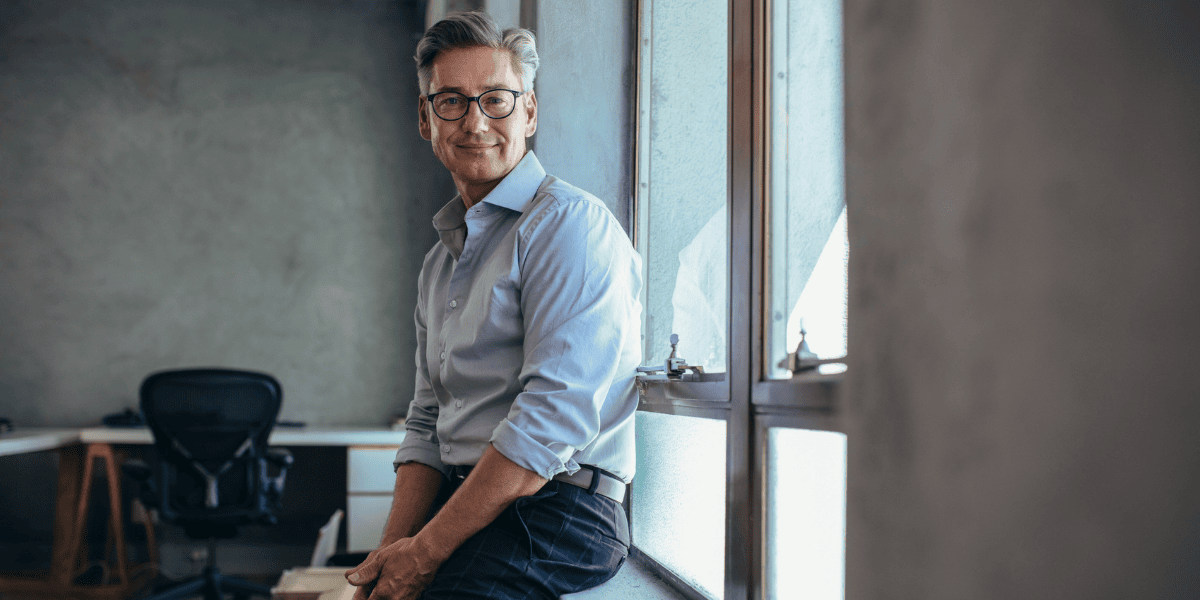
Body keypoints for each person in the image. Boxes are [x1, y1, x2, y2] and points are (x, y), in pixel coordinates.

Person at [344, 11, 643, 600]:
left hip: (560, 510)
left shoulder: (567, 226)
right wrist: (387, 556)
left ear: (529, 112)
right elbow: (427, 424)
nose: (475, 121)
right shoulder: (441, 261)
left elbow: (550, 420)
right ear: (426, 120)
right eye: (450, 101)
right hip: (471, 500)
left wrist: (424, 553)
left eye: (496, 100)